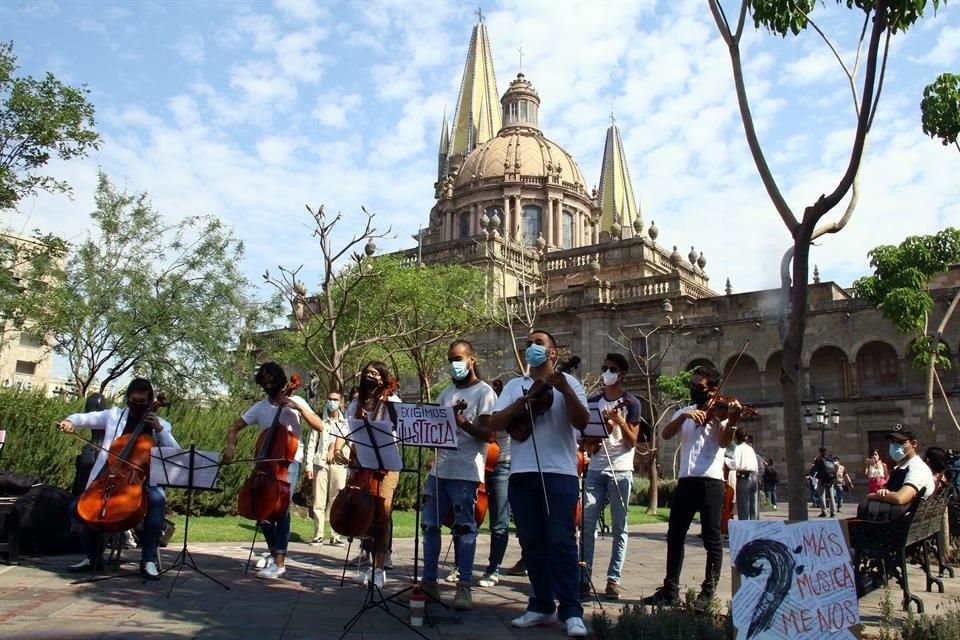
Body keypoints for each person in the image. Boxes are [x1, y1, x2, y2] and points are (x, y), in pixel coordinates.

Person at [487, 329, 590, 638]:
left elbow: (582, 422)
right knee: (531, 542)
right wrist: (523, 402)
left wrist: (564, 391)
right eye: (528, 343)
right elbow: (495, 423)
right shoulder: (515, 385)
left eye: (538, 343)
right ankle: (541, 604)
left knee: (561, 541)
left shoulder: (570, 383)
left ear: (553, 353)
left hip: (560, 473)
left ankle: (571, 610)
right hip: (522, 473)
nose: (531, 347)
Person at [58, 378, 179, 579]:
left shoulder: (162, 424)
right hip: (110, 477)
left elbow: (174, 452)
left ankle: (148, 560)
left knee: (157, 499)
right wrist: (69, 421)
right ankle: (92, 557)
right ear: (127, 399)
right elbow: (83, 418)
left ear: (150, 402)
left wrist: (159, 429)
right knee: (75, 508)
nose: (137, 406)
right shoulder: (114, 416)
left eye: (142, 403)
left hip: (142, 480)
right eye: (133, 401)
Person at [642, 365, 740, 611]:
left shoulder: (721, 414)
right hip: (686, 480)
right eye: (692, 384)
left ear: (713, 390)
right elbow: (665, 434)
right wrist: (684, 416)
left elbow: (724, 442)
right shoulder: (685, 411)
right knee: (675, 536)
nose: (693, 389)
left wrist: (733, 419)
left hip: (711, 481)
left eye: (699, 386)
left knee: (712, 538)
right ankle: (670, 589)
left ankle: (707, 593)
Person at [223, 362, 325, 579]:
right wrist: (231, 446)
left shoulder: (296, 400)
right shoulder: (259, 407)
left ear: (280, 380)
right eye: (265, 381)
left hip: (290, 462)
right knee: (263, 511)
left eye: (272, 379)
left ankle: (279, 562)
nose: (269, 384)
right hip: (266, 465)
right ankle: (273, 554)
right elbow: (234, 427)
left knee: (282, 510)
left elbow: (319, 425)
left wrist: (298, 408)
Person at [420, 340, 497, 611]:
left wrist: (461, 421)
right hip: (440, 469)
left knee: (464, 528)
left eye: (459, 358)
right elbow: (439, 431)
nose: (455, 363)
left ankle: (464, 586)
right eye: (451, 359)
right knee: (429, 525)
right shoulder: (446, 393)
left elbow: (489, 435)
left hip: (465, 470)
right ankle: (429, 582)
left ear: (471, 360)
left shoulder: (485, 393)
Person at [581, 352, 641, 601]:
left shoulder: (632, 403)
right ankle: (584, 578)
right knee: (586, 523)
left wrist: (618, 421)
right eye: (604, 367)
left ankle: (613, 579)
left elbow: (632, 441)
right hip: (596, 468)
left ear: (622, 374)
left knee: (620, 526)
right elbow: (585, 442)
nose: (606, 372)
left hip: (621, 468)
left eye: (611, 369)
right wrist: (598, 437)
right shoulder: (593, 401)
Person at [344, 361, 402, 588]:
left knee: (381, 514)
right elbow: (349, 430)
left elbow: (398, 428)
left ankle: (379, 570)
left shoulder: (392, 401)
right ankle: (368, 566)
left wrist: (386, 404)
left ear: (384, 379)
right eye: (367, 372)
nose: (370, 376)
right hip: (363, 464)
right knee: (365, 513)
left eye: (375, 373)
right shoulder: (355, 404)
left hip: (386, 465)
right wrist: (341, 448)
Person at [478, 376, 517, 588]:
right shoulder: (486, 408)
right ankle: (459, 565)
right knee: (468, 518)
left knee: (499, 522)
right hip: (483, 465)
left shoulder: (508, 411)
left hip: (503, 465)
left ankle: (493, 568)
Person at [305, 389, 349, 546]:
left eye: (336, 399)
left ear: (341, 402)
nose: (332, 402)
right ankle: (318, 534)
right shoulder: (320, 420)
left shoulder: (346, 422)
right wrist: (308, 465)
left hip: (339, 464)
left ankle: (335, 534)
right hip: (321, 463)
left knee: (336, 499)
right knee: (319, 499)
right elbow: (311, 443)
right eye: (330, 398)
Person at [866, 424, 936, 505]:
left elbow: (900, 498)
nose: (894, 446)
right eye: (892, 442)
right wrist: (884, 491)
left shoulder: (917, 468)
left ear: (913, 444)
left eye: (900, 442)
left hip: (904, 516)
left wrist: (872, 496)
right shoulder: (900, 468)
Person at [732, 430, 758, 521]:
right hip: (754, 477)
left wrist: (725, 460)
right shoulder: (751, 449)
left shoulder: (738, 449)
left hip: (744, 478)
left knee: (743, 507)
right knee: (753, 507)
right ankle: (754, 528)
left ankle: (744, 530)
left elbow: (735, 464)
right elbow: (756, 465)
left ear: (736, 438)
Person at [812, 447, 838, 517]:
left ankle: (824, 511)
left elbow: (815, 469)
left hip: (822, 479)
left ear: (820, 452)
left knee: (822, 495)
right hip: (830, 479)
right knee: (831, 496)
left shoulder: (819, 459)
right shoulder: (830, 459)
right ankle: (833, 512)